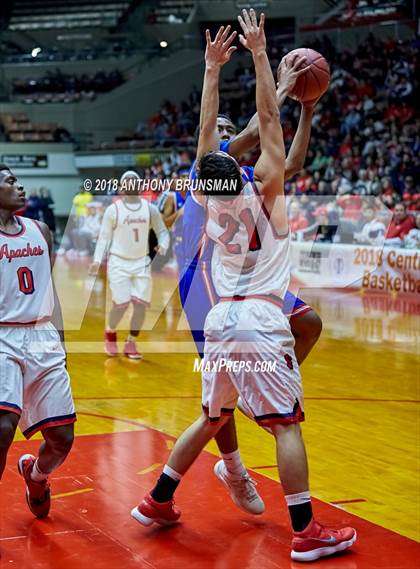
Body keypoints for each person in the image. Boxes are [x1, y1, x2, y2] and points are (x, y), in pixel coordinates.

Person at [131, 12, 356, 562]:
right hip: (254, 315)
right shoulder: (268, 193)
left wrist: (212, 72)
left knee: (213, 416)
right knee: (286, 427)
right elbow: (271, 132)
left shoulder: (207, 201)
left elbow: (211, 136)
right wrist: (264, 64)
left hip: (223, 318)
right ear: (244, 166)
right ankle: (305, 533)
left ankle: (159, 499)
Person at [179, 22, 322, 514]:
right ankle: (235, 469)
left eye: (225, 132)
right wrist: (279, 85)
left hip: (249, 280)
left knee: (309, 323)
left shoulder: (235, 176)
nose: (222, 136)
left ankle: (261, 384)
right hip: (204, 284)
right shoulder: (206, 172)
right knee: (216, 403)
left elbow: (290, 160)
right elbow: (251, 133)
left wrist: (306, 108)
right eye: (219, 135)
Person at [0, 164, 76, 519]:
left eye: (17, 179)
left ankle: (36, 476)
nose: (19, 186)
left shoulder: (40, 230)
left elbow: (50, 289)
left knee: (62, 438)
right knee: (2, 428)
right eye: (10, 181)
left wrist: (59, 338)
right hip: (3, 335)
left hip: (42, 334)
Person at [89, 170, 170, 359]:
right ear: (121, 187)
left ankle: (131, 343)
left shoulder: (150, 209)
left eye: (135, 182)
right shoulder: (113, 210)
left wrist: (164, 245)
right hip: (118, 262)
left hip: (142, 262)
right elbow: (103, 238)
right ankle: (110, 333)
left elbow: (163, 232)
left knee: (141, 306)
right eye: (128, 182)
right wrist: (96, 260)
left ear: (141, 186)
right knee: (121, 305)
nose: (131, 185)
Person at [161, 167, 189, 271]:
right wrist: (179, 213)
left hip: (196, 243)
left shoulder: (198, 196)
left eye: (188, 176)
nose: (186, 179)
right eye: (183, 176)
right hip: (179, 243)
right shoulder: (172, 197)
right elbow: (164, 224)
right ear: (177, 179)